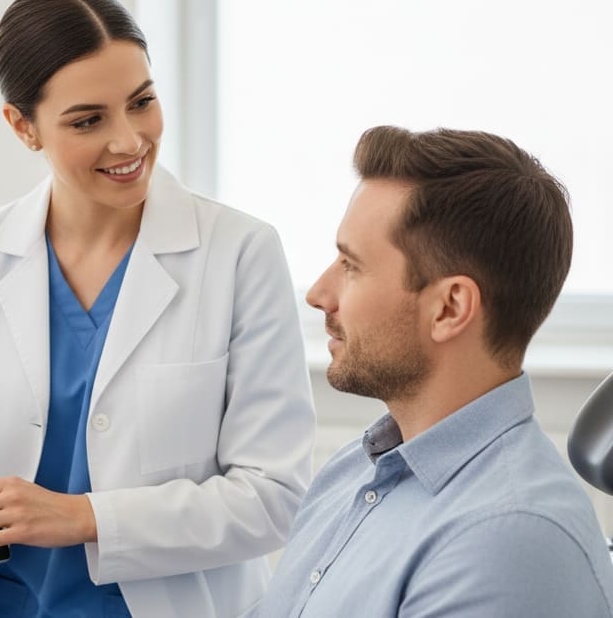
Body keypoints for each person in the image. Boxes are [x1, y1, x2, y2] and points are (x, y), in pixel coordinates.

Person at [0, 0, 316, 616]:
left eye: (142, 102)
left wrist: (84, 517)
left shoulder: (239, 253)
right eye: (88, 120)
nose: (129, 141)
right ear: (23, 126)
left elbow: (275, 497)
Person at [260, 126, 613, 617]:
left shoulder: (507, 542)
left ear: (449, 308)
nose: (319, 293)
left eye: (351, 266)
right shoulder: (356, 468)